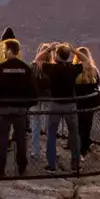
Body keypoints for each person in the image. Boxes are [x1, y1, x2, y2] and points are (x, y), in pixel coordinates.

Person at [0, 39, 38, 177]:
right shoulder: (26, 69)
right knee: (21, 141)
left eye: (4, 50)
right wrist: (25, 106)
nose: (3, 52)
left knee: (3, 141)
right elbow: (34, 93)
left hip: (4, 111)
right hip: (21, 111)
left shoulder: (0, 69)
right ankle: (22, 169)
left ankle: (0, 170)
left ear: (10, 51)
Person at [40, 43, 84, 173]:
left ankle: (51, 165)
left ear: (57, 55)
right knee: (74, 135)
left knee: (52, 134)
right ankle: (76, 165)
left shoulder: (51, 69)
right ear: (68, 55)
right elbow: (86, 61)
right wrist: (74, 50)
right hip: (70, 105)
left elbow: (38, 60)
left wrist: (49, 49)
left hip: (55, 104)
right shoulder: (73, 69)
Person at [73, 46, 100, 160]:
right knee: (87, 126)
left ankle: (76, 149)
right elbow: (98, 84)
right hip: (91, 104)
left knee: (77, 127)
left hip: (78, 104)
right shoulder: (94, 70)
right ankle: (83, 150)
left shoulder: (75, 70)